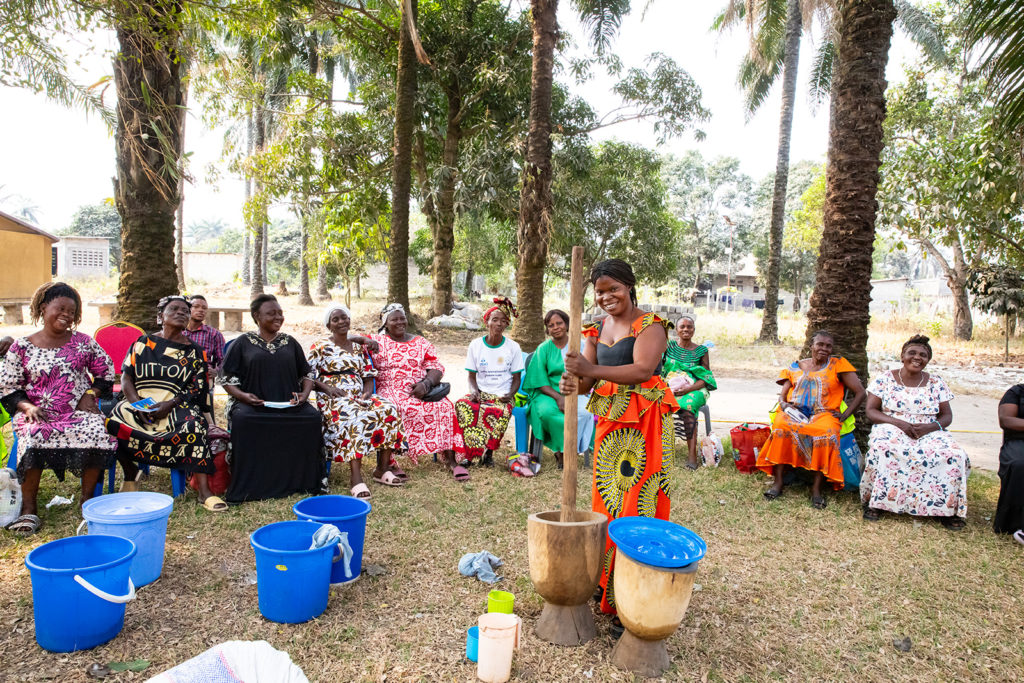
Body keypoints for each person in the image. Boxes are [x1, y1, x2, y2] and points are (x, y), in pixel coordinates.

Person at [561, 259, 678, 625]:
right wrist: (573, 380)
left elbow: (642, 370)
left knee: (637, 501)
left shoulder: (651, 325)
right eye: (599, 291)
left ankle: (633, 589)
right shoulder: (596, 330)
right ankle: (606, 579)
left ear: (629, 285)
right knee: (607, 499)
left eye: (613, 288)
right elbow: (585, 384)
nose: (606, 296)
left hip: (645, 421)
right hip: (611, 421)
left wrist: (589, 370)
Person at [0, 282, 118, 534]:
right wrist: (26, 406)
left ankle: (88, 502)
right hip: (38, 414)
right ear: (44, 308)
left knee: (99, 431)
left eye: (72, 311)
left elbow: (106, 373)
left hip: (75, 413)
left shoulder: (83, 343)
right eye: (61, 308)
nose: (67, 315)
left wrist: (91, 392)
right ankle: (29, 509)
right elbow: (9, 387)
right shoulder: (22, 346)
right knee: (33, 437)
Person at [105, 296, 226, 512]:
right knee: (113, 420)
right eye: (175, 309)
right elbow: (126, 378)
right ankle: (131, 473)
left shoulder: (194, 351)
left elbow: (196, 388)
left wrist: (170, 404)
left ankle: (204, 492)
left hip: (176, 406)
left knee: (195, 427)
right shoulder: (142, 344)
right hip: (139, 404)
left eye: (185, 311)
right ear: (160, 316)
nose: (182, 313)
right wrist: (137, 405)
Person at [219, 294, 323, 503]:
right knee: (243, 419)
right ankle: (249, 486)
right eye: (271, 313)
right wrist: (243, 397)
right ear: (257, 316)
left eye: (280, 313)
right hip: (254, 406)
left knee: (311, 418)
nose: (278, 317)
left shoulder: (290, 342)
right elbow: (226, 378)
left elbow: (307, 374)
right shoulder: (243, 342)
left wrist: (304, 394)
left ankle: (308, 483)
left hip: (289, 405)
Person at [860, 335, 969, 529]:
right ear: (902, 356)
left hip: (928, 429)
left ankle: (945, 509)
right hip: (891, 425)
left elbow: (946, 417)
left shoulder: (936, 382)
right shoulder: (885, 379)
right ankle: (877, 502)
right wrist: (899, 424)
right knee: (885, 449)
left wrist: (930, 427)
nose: (917, 357)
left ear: (928, 360)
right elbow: (871, 411)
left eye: (923, 355)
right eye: (912, 353)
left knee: (953, 455)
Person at [757, 330, 866, 509]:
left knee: (825, 433)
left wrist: (845, 415)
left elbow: (860, 392)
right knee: (781, 427)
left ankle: (816, 489)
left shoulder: (838, 365)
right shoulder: (795, 366)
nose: (824, 348)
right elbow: (783, 396)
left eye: (828, 346)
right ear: (811, 346)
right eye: (820, 344)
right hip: (795, 412)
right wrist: (785, 406)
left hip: (824, 414)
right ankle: (778, 482)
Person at [308, 304, 406, 497]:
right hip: (332, 398)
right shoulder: (319, 347)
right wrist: (328, 388)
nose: (341, 321)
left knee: (389, 409)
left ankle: (382, 469)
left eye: (344, 317)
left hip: (358, 395)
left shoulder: (358, 348)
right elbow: (308, 377)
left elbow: (368, 378)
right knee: (353, 415)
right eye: (335, 319)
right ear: (329, 325)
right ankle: (356, 478)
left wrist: (366, 394)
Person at [364, 304, 463, 481]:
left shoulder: (420, 342)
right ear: (385, 323)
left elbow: (436, 367)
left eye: (402, 318)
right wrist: (364, 340)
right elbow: (347, 340)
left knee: (445, 406)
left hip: (420, 388)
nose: (400, 322)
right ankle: (390, 463)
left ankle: (450, 459)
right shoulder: (375, 341)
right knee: (394, 408)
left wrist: (426, 383)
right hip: (390, 388)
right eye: (394, 319)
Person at [453, 297, 527, 474]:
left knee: (500, 411)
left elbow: (517, 378)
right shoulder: (476, 345)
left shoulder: (513, 347)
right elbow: (471, 376)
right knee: (463, 405)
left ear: (507, 325)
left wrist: (510, 394)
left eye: (503, 321)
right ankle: (469, 455)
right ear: (486, 322)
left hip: (503, 395)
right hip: (482, 392)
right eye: (495, 320)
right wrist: (474, 391)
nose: (499, 324)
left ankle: (488, 454)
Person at [522, 309, 595, 469]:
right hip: (547, 393)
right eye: (550, 325)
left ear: (567, 324)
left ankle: (571, 450)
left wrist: (574, 393)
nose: (555, 327)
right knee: (549, 413)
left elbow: (590, 372)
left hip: (576, 391)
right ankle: (561, 453)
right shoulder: (544, 348)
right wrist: (558, 398)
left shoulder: (580, 345)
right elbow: (538, 379)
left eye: (559, 323)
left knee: (583, 412)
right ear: (547, 329)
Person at [662, 314, 715, 470]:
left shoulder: (701, 350)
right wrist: (670, 387)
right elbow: (659, 371)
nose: (686, 329)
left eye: (689, 327)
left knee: (688, 405)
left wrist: (687, 389)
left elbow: (706, 377)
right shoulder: (669, 347)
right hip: (669, 388)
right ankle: (659, 451)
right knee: (655, 405)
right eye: (682, 327)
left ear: (694, 330)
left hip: (695, 388)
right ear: (677, 330)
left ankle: (692, 455)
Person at [182, 294, 226, 415]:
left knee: (200, 386)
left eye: (204, 308)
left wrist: (216, 370)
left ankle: (206, 422)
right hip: (179, 372)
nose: (201, 310)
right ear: (188, 309)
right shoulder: (178, 331)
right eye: (196, 306)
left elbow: (224, 360)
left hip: (204, 375)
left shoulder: (214, 334)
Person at [994, 382, 1024, 542]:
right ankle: (1017, 525)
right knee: (1019, 464)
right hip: (1019, 441)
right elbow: (1006, 420)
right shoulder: (1017, 392)